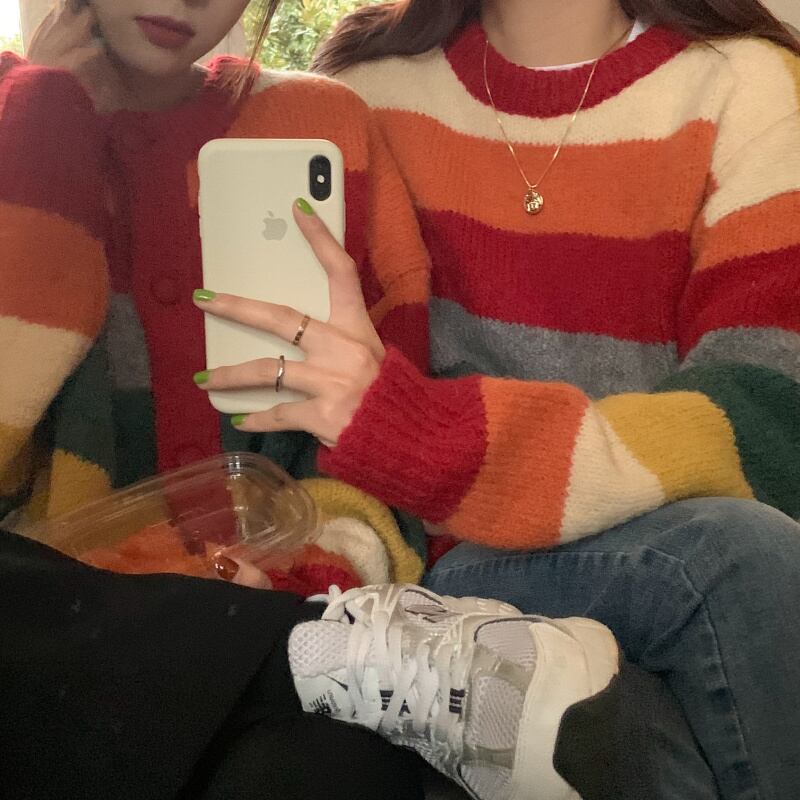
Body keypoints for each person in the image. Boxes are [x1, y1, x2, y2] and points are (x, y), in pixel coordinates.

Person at [0, 2, 684, 800]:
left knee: (335, 768)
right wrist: (40, 132)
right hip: (52, 636)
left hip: (260, 636)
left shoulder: (325, 125)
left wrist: (316, 568)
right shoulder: (14, 121)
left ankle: (298, 650)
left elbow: (371, 449)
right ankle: (303, 652)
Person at [187, 1, 800, 798]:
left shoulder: (750, 88)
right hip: (439, 577)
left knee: (701, 612)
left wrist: (428, 438)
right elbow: (322, 424)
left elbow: (761, 418)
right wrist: (316, 567)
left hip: (668, 556)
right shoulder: (366, 90)